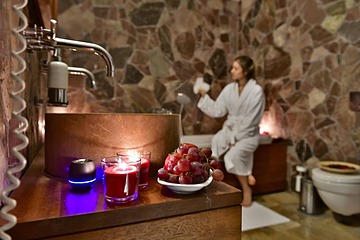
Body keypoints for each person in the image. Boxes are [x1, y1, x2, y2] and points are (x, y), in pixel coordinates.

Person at [197, 56, 265, 207]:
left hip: (248, 135)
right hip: (230, 131)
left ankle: (246, 189)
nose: (231, 71)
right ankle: (212, 188)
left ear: (246, 71)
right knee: (214, 146)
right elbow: (218, 110)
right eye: (232, 68)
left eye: (236, 68)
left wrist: (234, 140)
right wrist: (204, 97)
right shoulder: (229, 89)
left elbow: (251, 121)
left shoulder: (256, 92)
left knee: (233, 157)